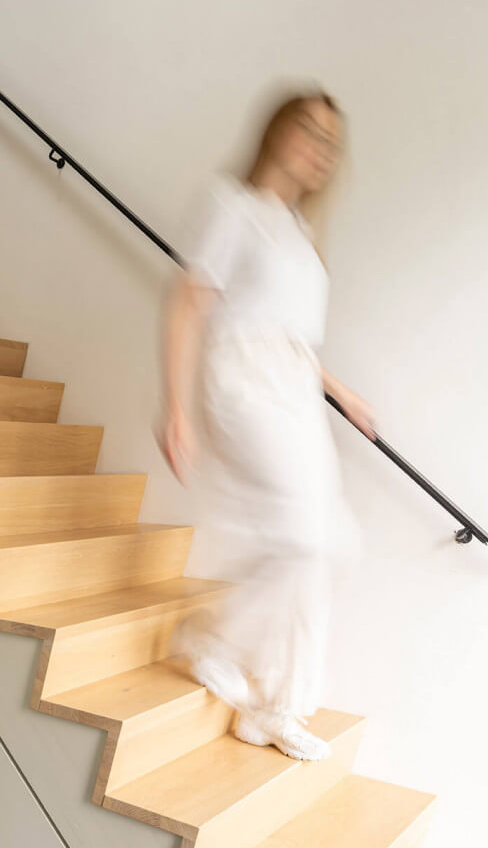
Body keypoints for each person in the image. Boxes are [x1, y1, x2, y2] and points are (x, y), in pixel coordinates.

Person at [159, 90, 374, 761]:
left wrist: (338, 389)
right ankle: (210, 641)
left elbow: (292, 338)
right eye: (308, 130)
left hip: (294, 389)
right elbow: (188, 307)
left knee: (337, 542)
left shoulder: (300, 234)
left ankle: (279, 708)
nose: (320, 148)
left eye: (331, 141)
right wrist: (174, 407)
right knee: (305, 541)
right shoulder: (235, 207)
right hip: (243, 384)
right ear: (277, 131)